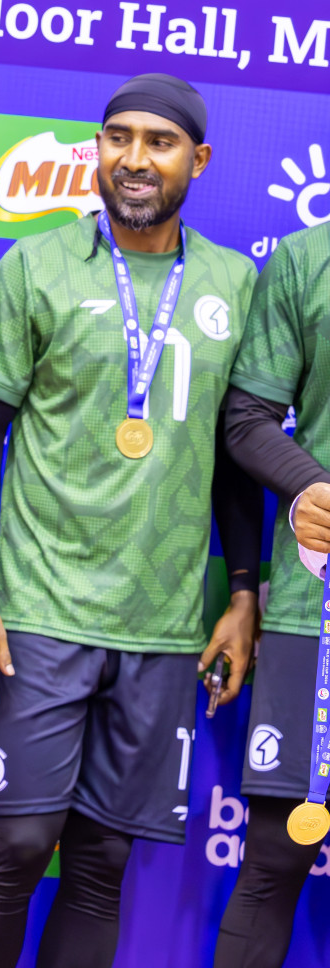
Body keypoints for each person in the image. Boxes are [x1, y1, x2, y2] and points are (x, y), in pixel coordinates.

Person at [0, 73, 262, 968]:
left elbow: (236, 458)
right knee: (15, 846)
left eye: (158, 142)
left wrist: (241, 593)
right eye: (116, 137)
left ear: (196, 161)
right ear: (96, 148)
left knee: (102, 862)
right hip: (41, 612)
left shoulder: (234, 284)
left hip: (163, 626)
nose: (133, 158)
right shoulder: (36, 266)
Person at [215, 220, 330, 968]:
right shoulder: (309, 257)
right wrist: (309, 485)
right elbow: (248, 419)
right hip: (313, 605)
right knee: (276, 854)